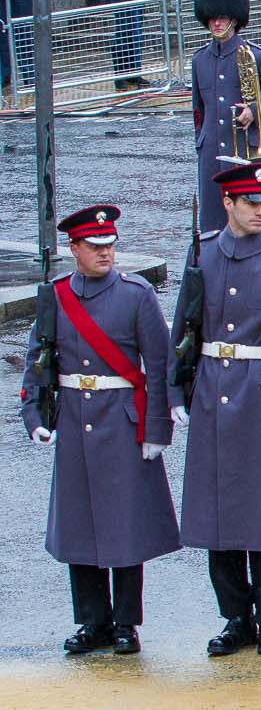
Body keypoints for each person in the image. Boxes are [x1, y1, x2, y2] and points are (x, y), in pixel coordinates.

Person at [171, 161, 261, 657]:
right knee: (218, 515)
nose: (260, 209)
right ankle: (235, 617)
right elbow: (183, 330)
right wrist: (176, 394)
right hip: (212, 389)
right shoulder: (202, 254)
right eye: (249, 202)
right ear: (227, 204)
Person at [24, 207, 180, 656]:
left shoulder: (136, 294)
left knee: (124, 527)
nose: (105, 254)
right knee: (80, 527)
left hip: (122, 420)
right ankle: (92, 622)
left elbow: (159, 365)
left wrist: (157, 429)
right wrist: (36, 420)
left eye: (109, 245)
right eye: (94, 247)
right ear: (74, 250)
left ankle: (126, 624)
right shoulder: (55, 297)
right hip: (73, 420)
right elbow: (40, 361)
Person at [190, 0, 261, 232]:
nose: (217, 23)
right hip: (214, 152)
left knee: (257, 222)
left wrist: (255, 111)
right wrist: (203, 143)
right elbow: (199, 113)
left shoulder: (253, 55)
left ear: (234, 18)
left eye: (222, 17)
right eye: (212, 18)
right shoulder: (199, 60)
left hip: (248, 149)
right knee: (215, 225)